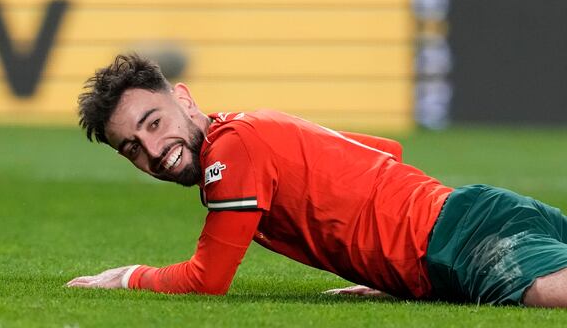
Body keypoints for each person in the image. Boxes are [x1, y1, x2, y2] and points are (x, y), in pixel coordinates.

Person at [67, 54, 567, 308]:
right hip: (469, 216)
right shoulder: (247, 128)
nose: (153, 150)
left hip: (464, 241)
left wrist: (129, 276)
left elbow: (207, 281)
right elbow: (381, 152)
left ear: (185, 99)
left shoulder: (233, 149)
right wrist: (390, 273)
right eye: (131, 146)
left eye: (154, 123)